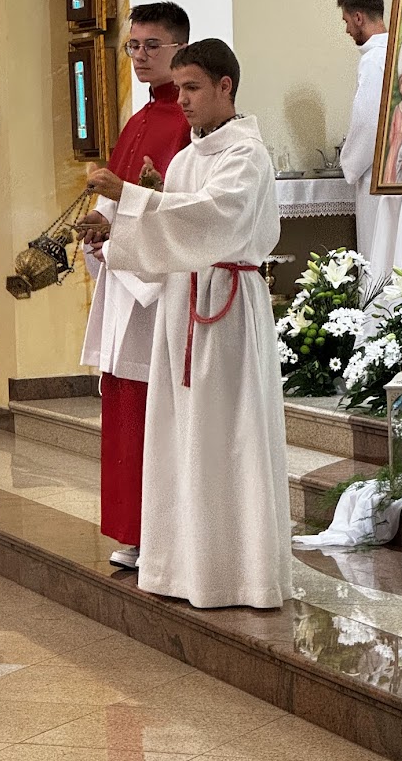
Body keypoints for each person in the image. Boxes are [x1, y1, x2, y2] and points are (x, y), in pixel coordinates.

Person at [86, 39, 292, 610]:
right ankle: (181, 567)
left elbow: (212, 218)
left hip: (226, 308)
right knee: (182, 436)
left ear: (226, 86)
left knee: (229, 434)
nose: (182, 100)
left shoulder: (246, 155)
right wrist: (114, 233)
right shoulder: (185, 158)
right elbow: (171, 232)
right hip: (182, 307)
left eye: (193, 87)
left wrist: (130, 197)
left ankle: (241, 575)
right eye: (178, 88)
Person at [80, 1, 191, 570]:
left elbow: (178, 211)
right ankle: (134, 529)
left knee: (154, 411)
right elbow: (118, 200)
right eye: (133, 46)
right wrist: (97, 229)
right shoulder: (138, 120)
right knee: (125, 407)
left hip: (158, 288)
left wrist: (119, 232)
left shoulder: (188, 125)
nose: (140, 56)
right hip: (126, 284)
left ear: (179, 48)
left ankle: (162, 533)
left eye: (152, 45)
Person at [337, 0, 388, 259]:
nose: (346, 30)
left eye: (346, 21)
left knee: (377, 254)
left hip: (376, 174)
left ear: (358, 18)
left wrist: (349, 163)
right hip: (397, 173)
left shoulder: (373, 60)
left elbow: (368, 124)